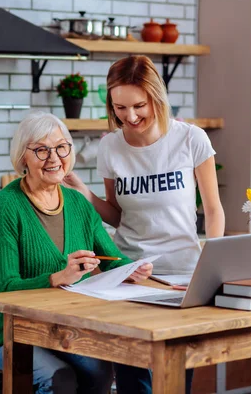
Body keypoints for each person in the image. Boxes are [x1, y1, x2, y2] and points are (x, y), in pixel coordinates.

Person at [64, 55, 226, 393]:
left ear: (157, 97)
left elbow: (212, 210)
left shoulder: (190, 139)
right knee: (135, 381)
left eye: (139, 105)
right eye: (120, 107)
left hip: (182, 276)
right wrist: (83, 193)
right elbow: (117, 215)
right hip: (130, 276)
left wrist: (213, 266)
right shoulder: (110, 146)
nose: (130, 116)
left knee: (177, 377)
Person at [0, 112, 153, 394]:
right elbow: (4, 287)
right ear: (23, 158)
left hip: (60, 325)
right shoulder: (4, 207)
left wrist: (133, 269)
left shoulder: (78, 203)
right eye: (42, 150)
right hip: (7, 330)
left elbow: (112, 259)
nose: (54, 157)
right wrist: (58, 277)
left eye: (61, 147)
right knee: (60, 377)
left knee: (100, 369)